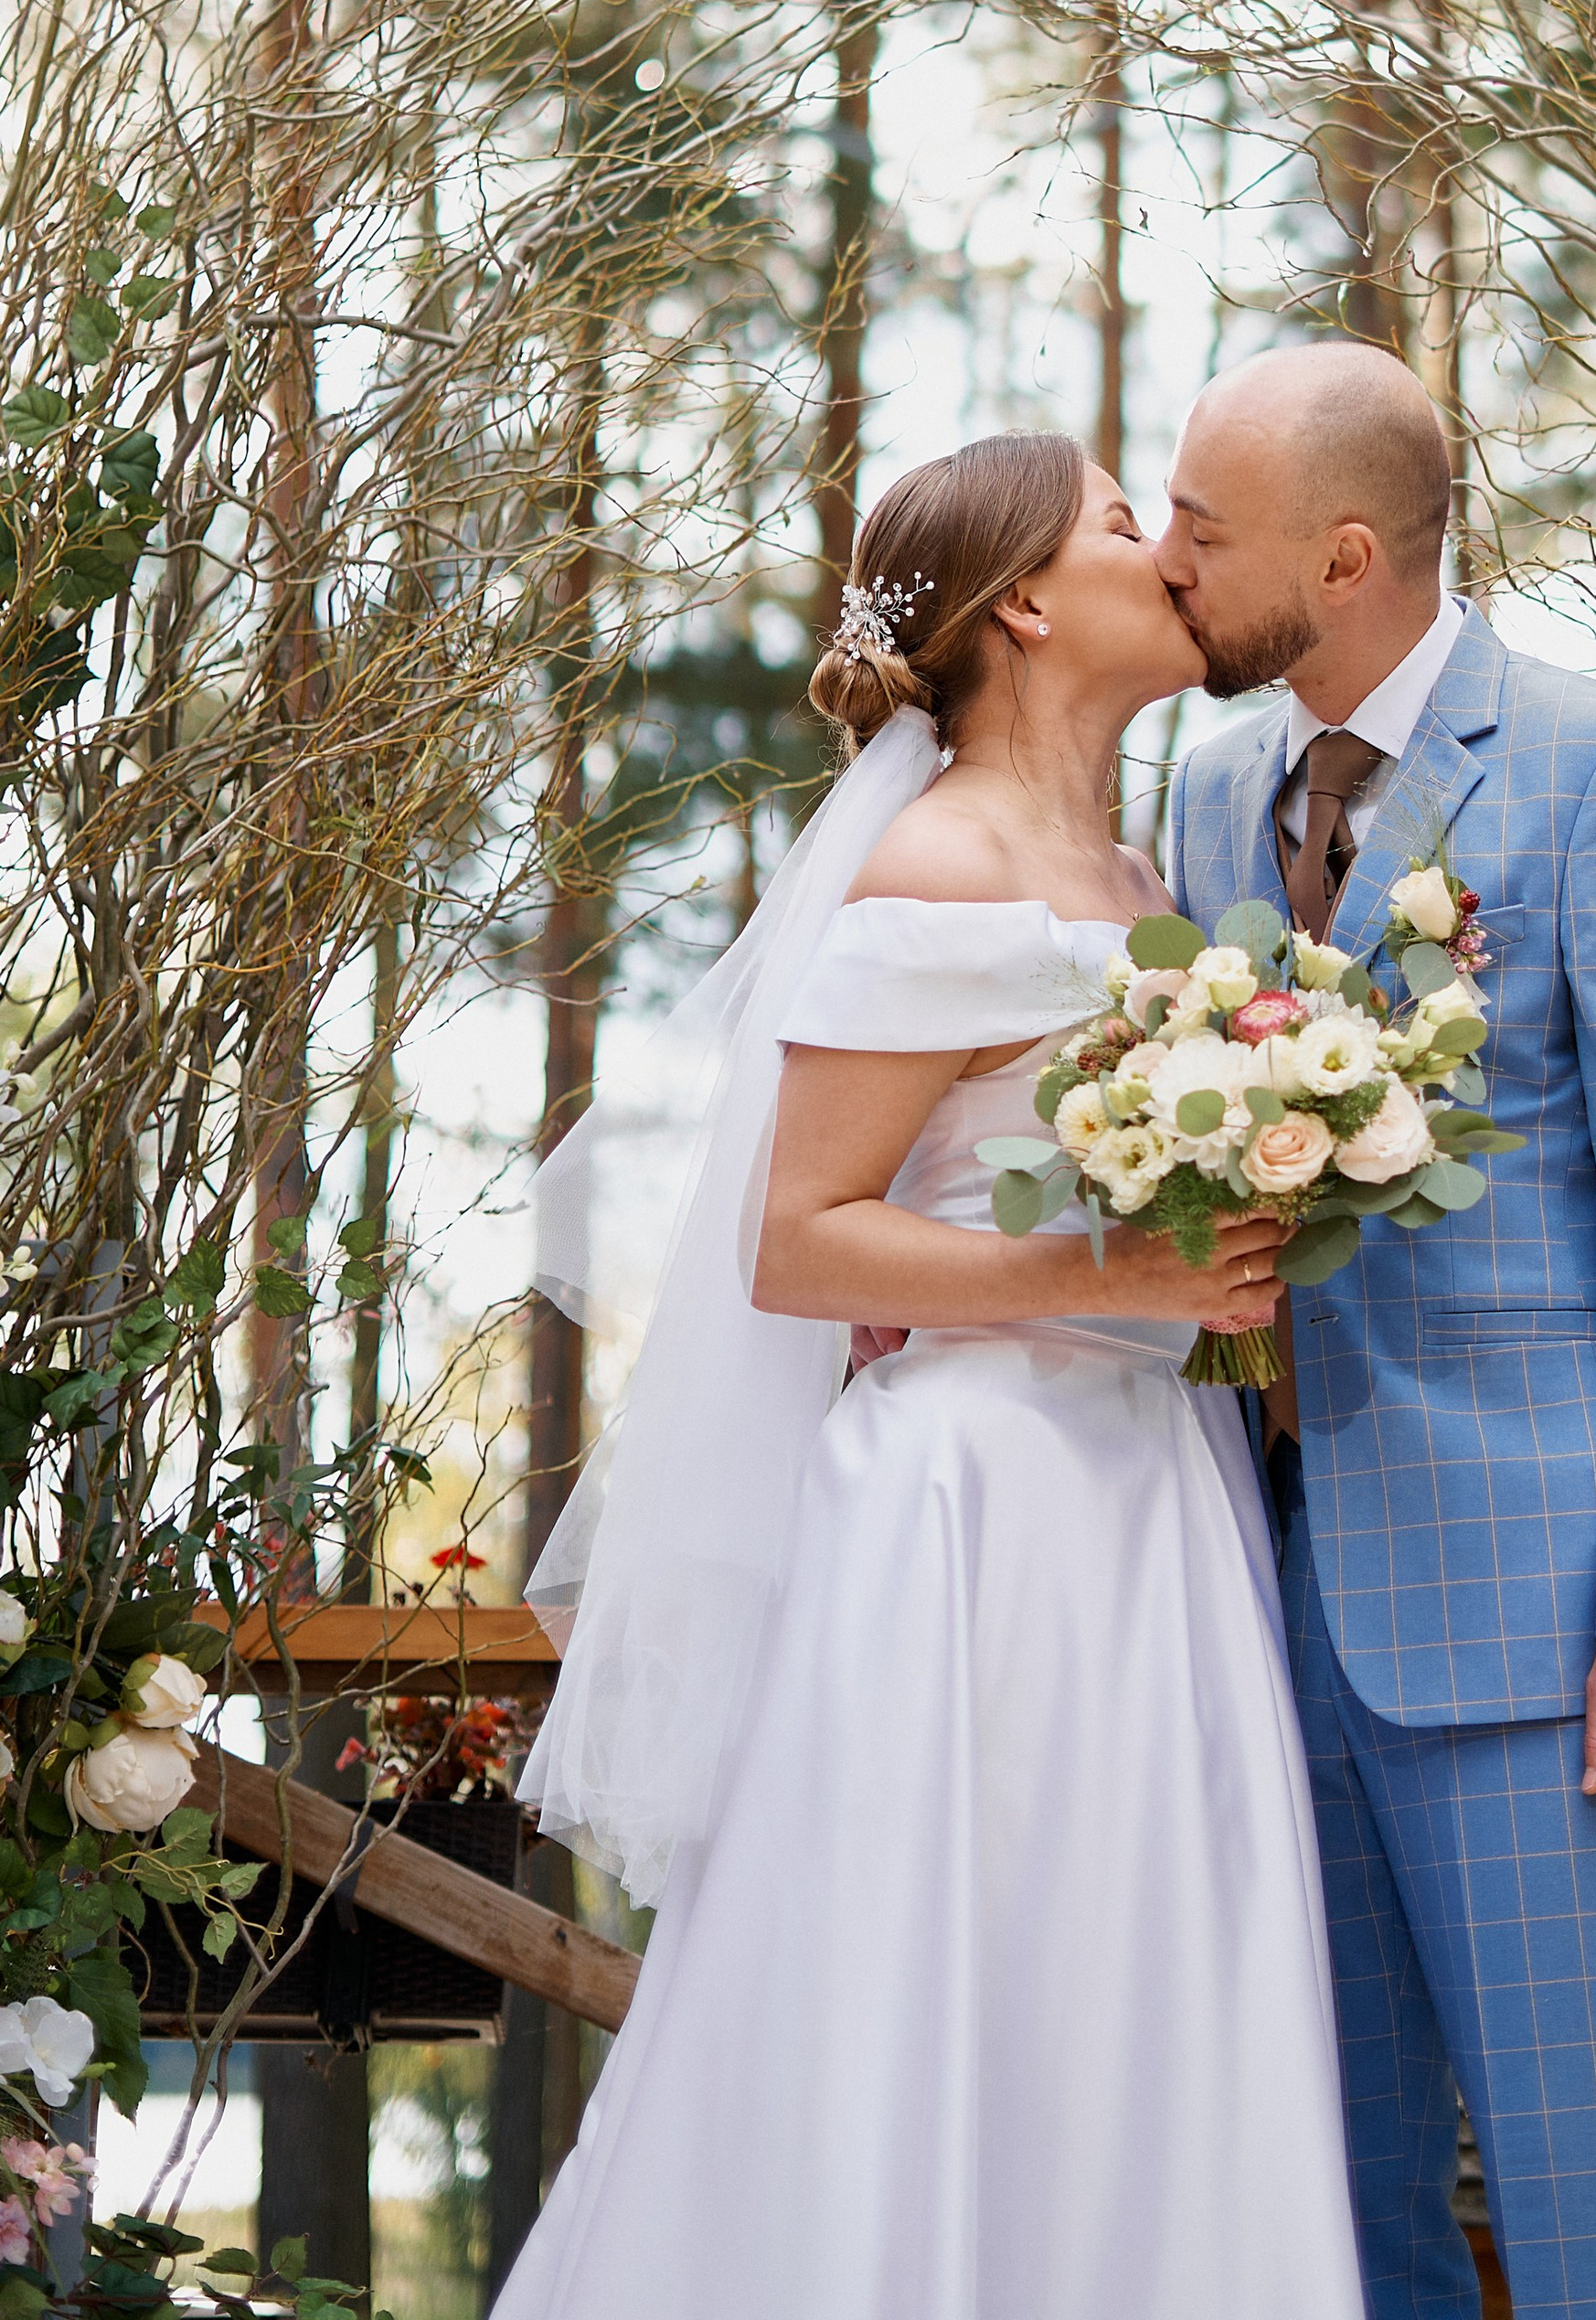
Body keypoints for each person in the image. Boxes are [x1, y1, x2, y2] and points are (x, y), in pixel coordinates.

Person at [495, 432, 1367, 2320]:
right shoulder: (939, 855)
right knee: (935, 1988)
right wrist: (1093, 1267)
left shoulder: (1142, 869)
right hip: (973, 1509)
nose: (1171, 556)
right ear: (1030, 603)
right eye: (1129, 525)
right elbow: (797, 1239)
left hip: (1149, 1493)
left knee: (1130, 2008)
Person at [1160, 343, 1596, 2320]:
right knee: (1330, 2226)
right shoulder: (1200, 792)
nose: (1166, 565)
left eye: (1199, 529)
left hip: (1532, 1635)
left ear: (1343, 557)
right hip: (1254, 1612)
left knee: (1585, 2205)